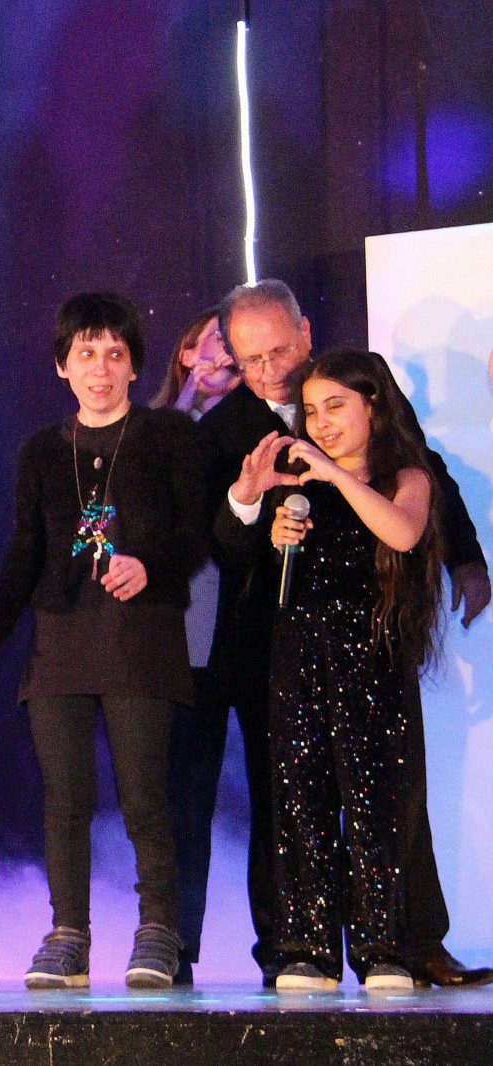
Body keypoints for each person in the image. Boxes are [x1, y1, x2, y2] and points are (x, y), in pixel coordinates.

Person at [200, 280, 489, 986]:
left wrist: (467, 559)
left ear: (304, 332)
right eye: (251, 359)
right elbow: (221, 543)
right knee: (287, 799)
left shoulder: (361, 400)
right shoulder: (222, 431)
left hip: (371, 643)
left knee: (387, 794)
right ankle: (294, 949)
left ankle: (408, 942)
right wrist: (254, 507)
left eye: (278, 351)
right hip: (278, 645)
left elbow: (424, 481)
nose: (269, 370)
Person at [0, 291, 206, 990]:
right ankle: (68, 935)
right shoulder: (43, 450)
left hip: (140, 641)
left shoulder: (168, 437)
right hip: (61, 644)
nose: (100, 368)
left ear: (134, 365)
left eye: (114, 354)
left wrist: (149, 564)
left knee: (144, 796)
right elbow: (26, 549)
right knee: (65, 800)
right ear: (62, 366)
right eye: (86, 354)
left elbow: (196, 535)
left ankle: (159, 931)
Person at [226, 349, 440, 991]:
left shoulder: (406, 476)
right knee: (301, 800)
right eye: (312, 410)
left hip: (373, 666)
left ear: (373, 406)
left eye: (335, 406)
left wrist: (334, 476)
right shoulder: (300, 486)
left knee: (378, 805)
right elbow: (257, 572)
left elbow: (402, 533)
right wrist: (276, 531)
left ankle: (384, 950)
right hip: (300, 660)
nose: (320, 423)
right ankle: (309, 950)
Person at [149, 308, 243, 985]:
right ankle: (173, 941)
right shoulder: (150, 428)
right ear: (185, 350)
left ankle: (291, 945)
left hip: (241, 628)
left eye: (236, 347)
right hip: (179, 636)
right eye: (213, 340)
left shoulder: (252, 427)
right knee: (177, 796)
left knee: (215, 793)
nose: (223, 355)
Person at [148, 308, 240, 419]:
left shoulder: (252, 409)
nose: (232, 346)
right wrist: (182, 406)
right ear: (187, 357)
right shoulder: (155, 422)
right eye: (220, 337)